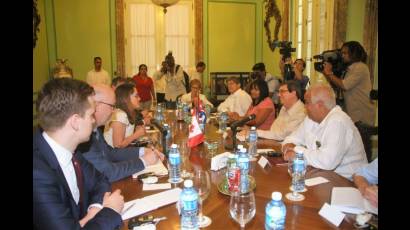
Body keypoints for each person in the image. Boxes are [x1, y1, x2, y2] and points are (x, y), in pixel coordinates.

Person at [34, 78, 124, 229]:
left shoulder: (71, 150)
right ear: (75, 122)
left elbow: (100, 181)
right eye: (90, 115)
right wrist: (110, 210)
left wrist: (93, 211)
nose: (94, 121)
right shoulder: (37, 174)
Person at [77, 84, 164, 183]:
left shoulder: (95, 129)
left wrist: (143, 151)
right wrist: (144, 161)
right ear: (96, 104)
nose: (114, 110)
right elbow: (108, 172)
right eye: (112, 106)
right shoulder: (83, 136)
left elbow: (110, 153)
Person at [282, 84, 368, 180]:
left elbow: (327, 162)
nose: (304, 107)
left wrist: (297, 151)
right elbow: (291, 139)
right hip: (322, 175)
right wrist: (288, 147)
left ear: (319, 105)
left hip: (349, 182)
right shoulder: (310, 119)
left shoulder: (338, 121)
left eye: (307, 102)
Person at [322, 41, 376, 161]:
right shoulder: (349, 69)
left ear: (354, 54)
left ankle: (367, 176)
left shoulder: (360, 67)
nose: (342, 55)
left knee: (363, 149)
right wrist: (328, 74)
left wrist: (329, 73)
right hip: (353, 113)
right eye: (342, 53)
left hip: (362, 115)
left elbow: (345, 85)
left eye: (345, 53)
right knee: (353, 149)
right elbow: (337, 86)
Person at [103, 83, 147, 148]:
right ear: (126, 99)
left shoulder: (126, 112)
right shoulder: (120, 115)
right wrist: (136, 134)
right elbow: (118, 145)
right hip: (112, 155)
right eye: (136, 96)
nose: (139, 98)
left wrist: (135, 130)